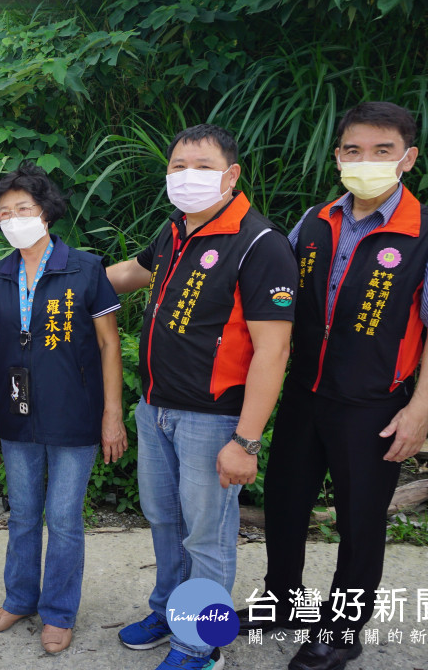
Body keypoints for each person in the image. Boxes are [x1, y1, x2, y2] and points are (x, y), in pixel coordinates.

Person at [251, 102, 428, 670]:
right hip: (304, 393)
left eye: (381, 151)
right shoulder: (315, 221)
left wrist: (420, 409)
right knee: (286, 504)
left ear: (408, 158)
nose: (365, 161)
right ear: (338, 155)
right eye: (353, 150)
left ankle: (343, 631)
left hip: (373, 404)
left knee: (361, 519)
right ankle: (282, 602)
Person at [106, 124, 297, 670]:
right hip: (156, 408)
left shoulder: (260, 244)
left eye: (202, 166)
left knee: (207, 538)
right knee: (165, 521)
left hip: (214, 420)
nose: (188, 177)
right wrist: (67, 281)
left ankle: (200, 644)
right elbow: (131, 273)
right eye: (178, 167)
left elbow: (273, 351)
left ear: (231, 175)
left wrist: (246, 440)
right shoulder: (175, 233)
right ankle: (169, 610)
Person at [0, 163, 127, 653]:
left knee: (62, 518)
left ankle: (59, 612)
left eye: (24, 208)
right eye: (4, 212)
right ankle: (19, 598)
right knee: (22, 515)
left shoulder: (85, 269)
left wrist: (112, 414)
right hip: (15, 415)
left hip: (75, 417)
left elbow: (108, 346)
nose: (13, 218)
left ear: (46, 213)